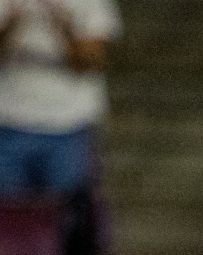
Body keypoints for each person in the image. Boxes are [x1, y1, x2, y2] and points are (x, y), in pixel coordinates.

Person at [0, 0, 118, 201]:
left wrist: (60, 23)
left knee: (68, 214)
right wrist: (14, 22)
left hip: (68, 124)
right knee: (10, 218)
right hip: (8, 121)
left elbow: (90, 61)